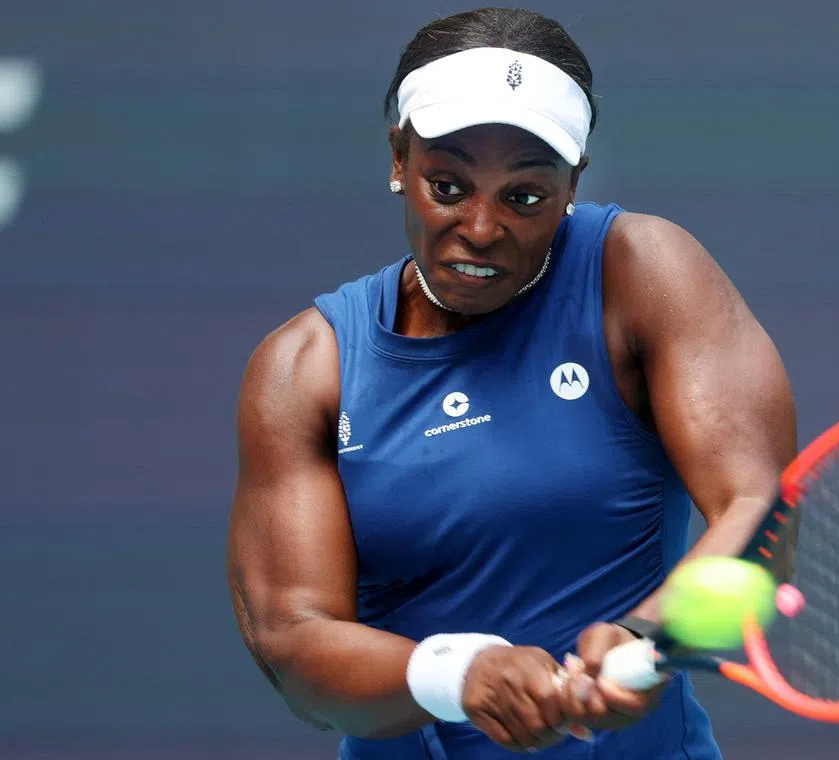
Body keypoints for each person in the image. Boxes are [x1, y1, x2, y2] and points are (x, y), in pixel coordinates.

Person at [226, 7, 797, 759]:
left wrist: (646, 637)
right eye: (447, 185)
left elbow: (757, 513)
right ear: (399, 159)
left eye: (524, 196)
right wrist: (459, 674)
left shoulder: (644, 274)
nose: (481, 228)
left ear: (573, 181)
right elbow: (294, 647)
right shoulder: (306, 367)